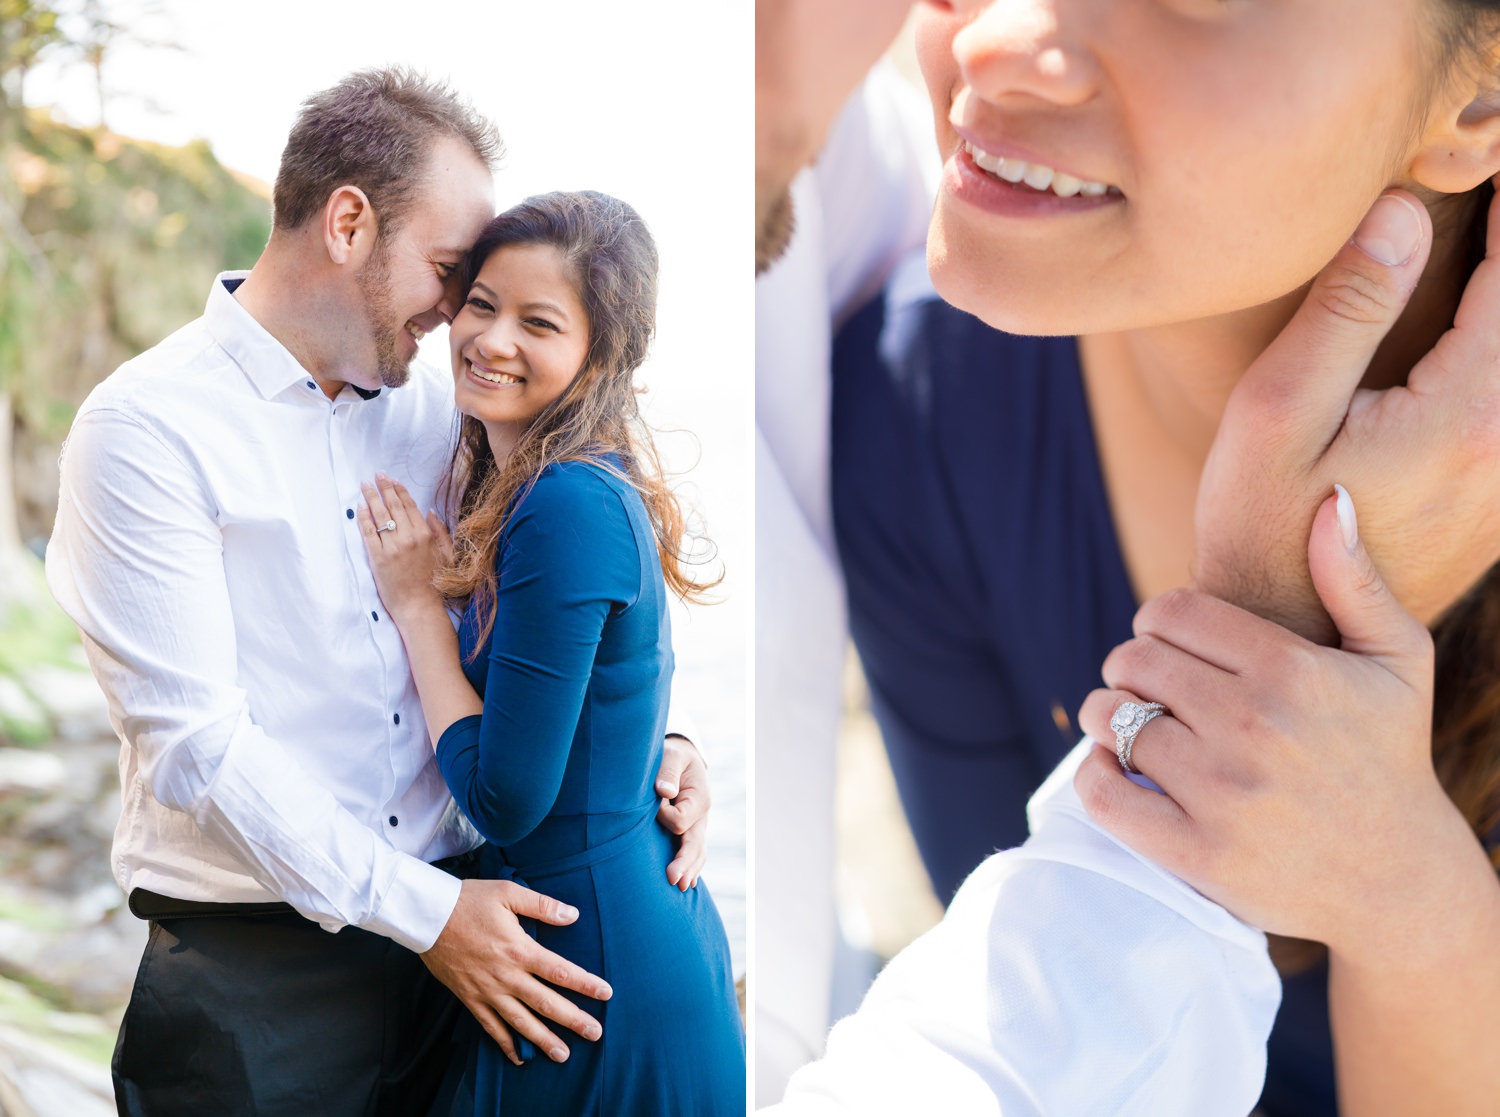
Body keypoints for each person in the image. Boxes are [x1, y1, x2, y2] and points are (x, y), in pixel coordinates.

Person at [795, 0, 1500, 1113]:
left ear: (1480, 92)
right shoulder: (922, 417)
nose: (986, 40)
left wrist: (1419, 916)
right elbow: (1038, 1029)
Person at [45, 69, 713, 1116]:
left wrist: (656, 753)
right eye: (451, 273)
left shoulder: (438, 410)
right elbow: (197, 744)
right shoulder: (146, 430)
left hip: (469, 956)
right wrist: (427, 914)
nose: (458, 316)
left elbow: (562, 608)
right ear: (348, 222)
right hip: (266, 992)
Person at [357, 191, 745, 1114]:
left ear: (599, 355)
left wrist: (415, 606)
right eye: (482, 304)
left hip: (590, 971)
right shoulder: (553, 480)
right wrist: (675, 747)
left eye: (539, 322)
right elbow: (618, 687)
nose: (491, 339)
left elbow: (506, 799)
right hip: (584, 938)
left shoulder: (563, 502)